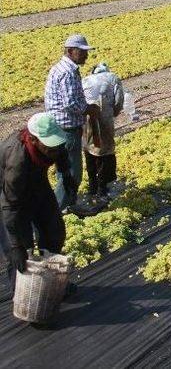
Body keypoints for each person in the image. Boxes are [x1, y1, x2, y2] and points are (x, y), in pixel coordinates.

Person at [0, 113, 74, 294]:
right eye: (50, 147)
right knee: (20, 251)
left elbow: (61, 152)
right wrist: (16, 246)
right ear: (33, 140)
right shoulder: (17, 160)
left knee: (54, 232)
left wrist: (66, 175)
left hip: (37, 183)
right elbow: (11, 207)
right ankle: (23, 293)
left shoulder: (53, 145)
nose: (55, 150)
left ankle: (50, 283)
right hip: (9, 196)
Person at [44, 34, 101, 211]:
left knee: (65, 170)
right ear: (70, 51)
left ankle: (69, 205)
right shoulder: (67, 72)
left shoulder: (61, 68)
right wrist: (89, 109)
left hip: (60, 126)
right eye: (82, 51)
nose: (86, 55)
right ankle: (56, 212)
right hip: (67, 128)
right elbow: (70, 103)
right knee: (72, 173)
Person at [82, 62, 125, 198]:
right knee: (104, 151)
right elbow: (119, 100)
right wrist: (113, 113)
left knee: (89, 149)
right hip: (104, 117)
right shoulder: (113, 78)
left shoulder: (85, 80)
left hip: (87, 117)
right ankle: (102, 188)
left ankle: (92, 186)